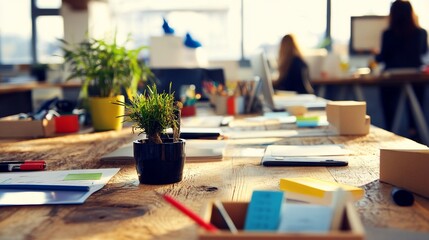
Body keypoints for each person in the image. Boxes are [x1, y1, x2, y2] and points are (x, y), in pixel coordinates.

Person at [375, 0, 428, 133]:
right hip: (415, 75)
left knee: (388, 101)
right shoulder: (421, 32)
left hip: (392, 76)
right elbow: (423, 53)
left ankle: (389, 129)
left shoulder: (388, 34)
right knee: (416, 103)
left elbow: (382, 58)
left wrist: (375, 54)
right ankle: (414, 129)